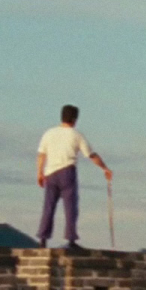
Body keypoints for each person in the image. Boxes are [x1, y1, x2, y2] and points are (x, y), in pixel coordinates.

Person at [36, 105, 112, 249]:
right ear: (74, 119)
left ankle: (43, 238)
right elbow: (91, 154)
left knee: (49, 206)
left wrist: (39, 172)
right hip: (67, 171)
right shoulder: (76, 135)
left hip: (50, 173)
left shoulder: (49, 133)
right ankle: (71, 239)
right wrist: (104, 168)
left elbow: (41, 155)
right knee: (70, 206)